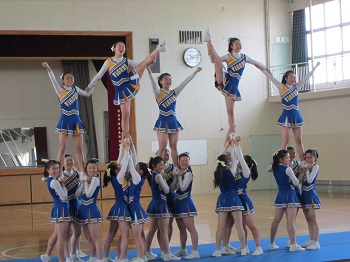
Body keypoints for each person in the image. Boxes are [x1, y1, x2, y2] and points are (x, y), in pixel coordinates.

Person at [87, 40, 166, 138]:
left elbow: (142, 65)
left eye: (123, 46)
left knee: (144, 63)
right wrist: (90, 86)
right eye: (119, 46)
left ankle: (158, 48)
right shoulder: (108, 62)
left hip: (130, 82)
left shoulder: (126, 61)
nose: (121, 48)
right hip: (121, 90)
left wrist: (150, 63)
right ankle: (125, 134)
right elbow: (99, 75)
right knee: (125, 114)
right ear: (114, 48)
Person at [203, 28, 268, 136]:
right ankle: (209, 41)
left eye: (240, 44)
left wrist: (266, 69)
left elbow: (256, 63)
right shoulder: (228, 57)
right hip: (225, 79)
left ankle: (232, 129)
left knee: (230, 111)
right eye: (236, 44)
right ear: (231, 46)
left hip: (233, 87)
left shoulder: (244, 57)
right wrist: (209, 50)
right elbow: (213, 61)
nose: (238, 46)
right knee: (218, 61)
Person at [260, 62, 320, 161]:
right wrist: (260, 68)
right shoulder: (281, 87)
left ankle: (303, 162)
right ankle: (282, 161)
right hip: (286, 115)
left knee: (299, 140)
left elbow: (306, 78)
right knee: (285, 140)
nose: (293, 79)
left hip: (296, 115)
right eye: (291, 77)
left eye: (294, 77)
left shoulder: (297, 86)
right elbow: (270, 77)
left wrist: (314, 68)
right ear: (286, 78)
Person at [42, 62, 94, 173]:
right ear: (63, 80)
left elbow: (87, 94)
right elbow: (52, 80)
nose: (70, 79)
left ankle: (83, 171)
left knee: (79, 148)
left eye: (71, 78)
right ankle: (59, 172)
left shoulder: (76, 89)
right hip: (65, 120)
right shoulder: (60, 90)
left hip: (76, 120)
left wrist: (94, 83)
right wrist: (48, 67)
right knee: (62, 148)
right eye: (67, 78)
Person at [147, 66, 202, 166]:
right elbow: (152, 82)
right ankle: (159, 167)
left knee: (174, 146)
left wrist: (195, 72)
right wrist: (149, 70)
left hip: (173, 121)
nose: (168, 81)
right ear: (161, 81)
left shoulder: (174, 92)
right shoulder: (158, 93)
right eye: (166, 79)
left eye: (170, 79)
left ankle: (176, 167)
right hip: (162, 121)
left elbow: (185, 82)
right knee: (162, 146)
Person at [212, 140, 247, 257]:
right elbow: (233, 157)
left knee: (221, 227)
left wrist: (226, 145)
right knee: (239, 225)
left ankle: (217, 250)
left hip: (223, 199)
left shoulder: (215, 170)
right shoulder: (231, 170)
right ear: (227, 162)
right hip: (233, 198)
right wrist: (233, 145)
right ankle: (243, 248)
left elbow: (219, 157)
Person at [145, 156, 180, 261]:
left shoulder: (154, 175)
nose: (162, 166)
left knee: (152, 230)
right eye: (160, 165)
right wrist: (164, 178)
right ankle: (167, 254)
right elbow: (167, 190)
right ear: (154, 166)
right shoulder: (158, 176)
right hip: (161, 203)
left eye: (162, 164)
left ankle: (146, 252)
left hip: (155, 203)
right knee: (164, 230)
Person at [269, 150, 305, 252]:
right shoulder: (288, 169)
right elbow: (296, 183)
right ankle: (293, 244)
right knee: (291, 220)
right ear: (281, 159)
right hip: (290, 194)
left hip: (281, 195)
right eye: (287, 158)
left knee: (276, 220)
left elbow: (269, 168)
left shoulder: (274, 168)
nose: (289, 159)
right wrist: (302, 173)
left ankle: (271, 243)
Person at [233, 137, 263, 256]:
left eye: (241, 162)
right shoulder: (238, 172)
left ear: (246, 164)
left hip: (244, 200)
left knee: (251, 225)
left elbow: (239, 157)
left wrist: (237, 145)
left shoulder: (246, 172)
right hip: (236, 200)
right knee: (241, 226)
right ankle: (243, 245)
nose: (238, 162)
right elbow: (236, 158)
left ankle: (258, 246)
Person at [102, 140, 131, 262]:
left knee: (111, 234)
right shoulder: (119, 177)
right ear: (116, 170)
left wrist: (122, 146)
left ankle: (107, 257)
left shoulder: (115, 175)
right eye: (118, 167)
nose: (120, 166)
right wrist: (127, 149)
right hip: (122, 208)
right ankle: (123, 258)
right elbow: (124, 163)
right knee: (125, 235)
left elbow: (120, 161)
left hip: (117, 207)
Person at [40, 160, 71, 262]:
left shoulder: (51, 179)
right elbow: (64, 197)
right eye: (53, 169)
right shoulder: (54, 181)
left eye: (58, 168)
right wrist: (62, 184)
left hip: (60, 208)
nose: (56, 170)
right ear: (48, 170)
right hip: (61, 208)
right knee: (62, 237)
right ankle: (62, 259)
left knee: (57, 234)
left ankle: (47, 255)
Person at [172, 153, 200, 259]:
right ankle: (183, 249)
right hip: (178, 202)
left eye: (186, 161)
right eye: (182, 160)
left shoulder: (188, 173)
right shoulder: (179, 172)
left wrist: (178, 176)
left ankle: (195, 251)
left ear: (189, 162)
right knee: (181, 228)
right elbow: (174, 188)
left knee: (191, 228)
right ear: (179, 162)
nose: (184, 162)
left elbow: (183, 188)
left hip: (186, 202)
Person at [76, 160, 103, 261]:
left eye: (94, 168)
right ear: (86, 169)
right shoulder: (87, 179)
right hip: (83, 209)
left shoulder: (95, 179)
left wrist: (86, 182)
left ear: (97, 169)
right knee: (88, 238)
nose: (91, 170)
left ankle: (100, 259)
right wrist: (82, 183)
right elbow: (77, 195)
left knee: (95, 237)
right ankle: (93, 257)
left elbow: (88, 194)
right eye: (89, 168)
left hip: (91, 208)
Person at [300, 148, 321, 250]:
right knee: (308, 219)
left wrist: (307, 170)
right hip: (304, 193)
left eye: (311, 157)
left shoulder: (315, 167)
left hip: (311, 193)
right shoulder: (304, 166)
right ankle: (311, 239)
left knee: (313, 218)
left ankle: (316, 241)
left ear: (315, 158)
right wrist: (302, 171)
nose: (308, 159)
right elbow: (300, 180)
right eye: (307, 157)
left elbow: (310, 180)